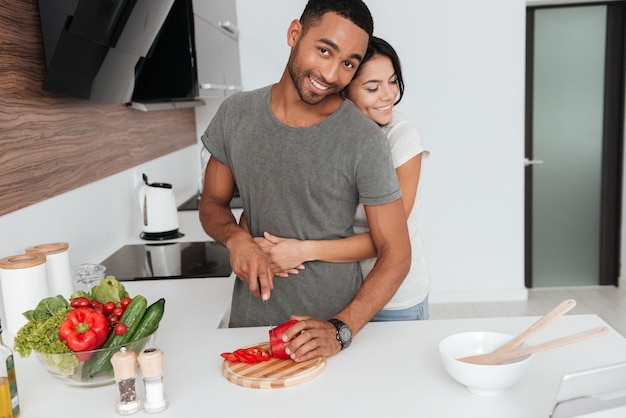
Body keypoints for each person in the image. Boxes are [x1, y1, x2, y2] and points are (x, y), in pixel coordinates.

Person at [199, 0, 411, 362]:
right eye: (324, 50)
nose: (331, 73)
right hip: (252, 323)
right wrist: (236, 239)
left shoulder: (364, 139)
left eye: (348, 63)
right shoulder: (235, 115)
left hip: (329, 330)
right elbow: (212, 204)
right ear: (295, 33)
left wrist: (340, 329)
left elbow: (397, 253)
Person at [254, 36, 430, 321]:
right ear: (344, 92)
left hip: (393, 299)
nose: (388, 95)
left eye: (393, 81)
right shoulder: (327, 135)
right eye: (373, 87)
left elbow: (388, 241)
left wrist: (302, 250)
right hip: (337, 293)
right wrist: (256, 242)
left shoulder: (401, 136)